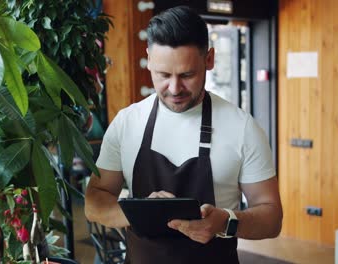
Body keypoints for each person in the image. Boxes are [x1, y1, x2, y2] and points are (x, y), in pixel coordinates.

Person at [85, 5, 283, 264]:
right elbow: (94, 203)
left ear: (209, 59)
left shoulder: (242, 127)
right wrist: (144, 211)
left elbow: (272, 218)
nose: (174, 88)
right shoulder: (127, 123)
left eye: (187, 75)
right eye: (163, 75)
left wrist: (225, 222)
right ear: (149, 59)